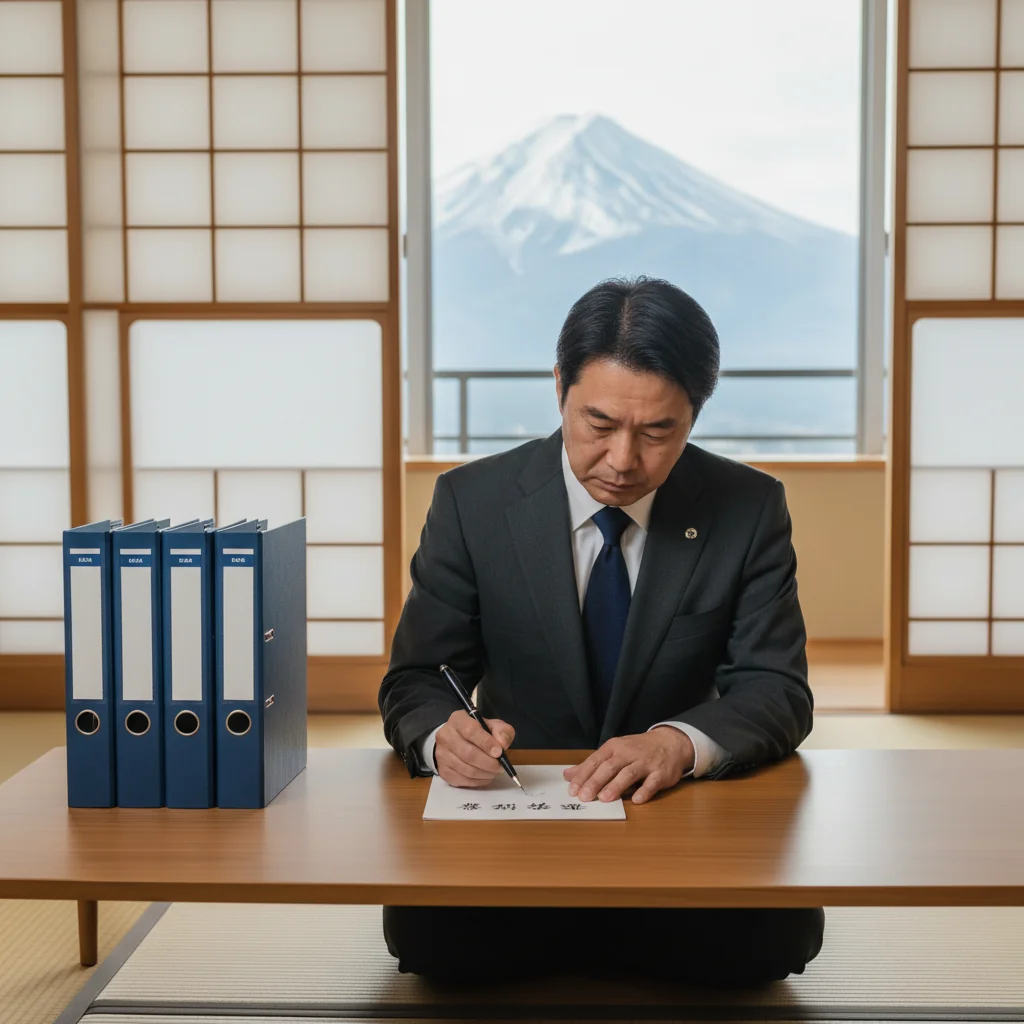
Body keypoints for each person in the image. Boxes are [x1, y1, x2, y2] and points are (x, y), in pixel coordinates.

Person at [378, 276, 824, 988]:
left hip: (679, 814)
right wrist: (443, 738)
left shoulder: (749, 506)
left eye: (657, 433)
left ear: (695, 415)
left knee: (772, 940)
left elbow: (776, 689)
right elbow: (419, 678)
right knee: (431, 939)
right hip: (518, 812)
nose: (623, 461)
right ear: (559, 386)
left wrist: (680, 743)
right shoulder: (472, 501)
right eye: (599, 425)